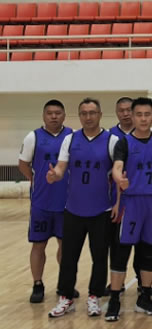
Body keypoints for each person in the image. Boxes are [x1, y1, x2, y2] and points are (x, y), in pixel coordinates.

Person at [46, 98, 118, 318]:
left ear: (100, 115)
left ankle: (95, 296)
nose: (88, 117)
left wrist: (118, 201)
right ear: (79, 116)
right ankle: (66, 297)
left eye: (92, 113)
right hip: (73, 209)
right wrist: (55, 175)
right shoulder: (70, 139)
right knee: (69, 257)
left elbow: (118, 172)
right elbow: (61, 167)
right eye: (84, 113)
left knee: (99, 257)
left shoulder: (112, 140)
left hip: (101, 210)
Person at [106, 97, 152, 321]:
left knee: (149, 252)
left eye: (147, 114)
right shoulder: (124, 143)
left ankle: (144, 297)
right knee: (121, 252)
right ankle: (114, 300)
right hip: (131, 203)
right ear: (133, 117)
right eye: (139, 115)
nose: (143, 119)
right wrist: (119, 179)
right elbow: (117, 167)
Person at [18, 99, 74, 304]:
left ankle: (65, 284)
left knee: (65, 246)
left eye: (58, 113)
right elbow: (23, 164)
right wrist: (35, 180)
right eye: (50, 113)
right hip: (41, 203)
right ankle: (38, 284)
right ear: (43, 115)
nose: (54, 116)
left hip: (67, 203)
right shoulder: (33, 137)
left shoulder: (73, 136)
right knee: (38, 245)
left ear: (64, 115)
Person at [106, 97, 137, 295]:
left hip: (142, 197)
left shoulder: (148, 134)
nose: (125, 114)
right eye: (121, 110)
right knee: (116, 244)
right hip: (115, 200)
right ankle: (117, 282)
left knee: (141, 243)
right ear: (116, 112)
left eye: (128, 110)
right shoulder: (109, 136)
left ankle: (143, 282)